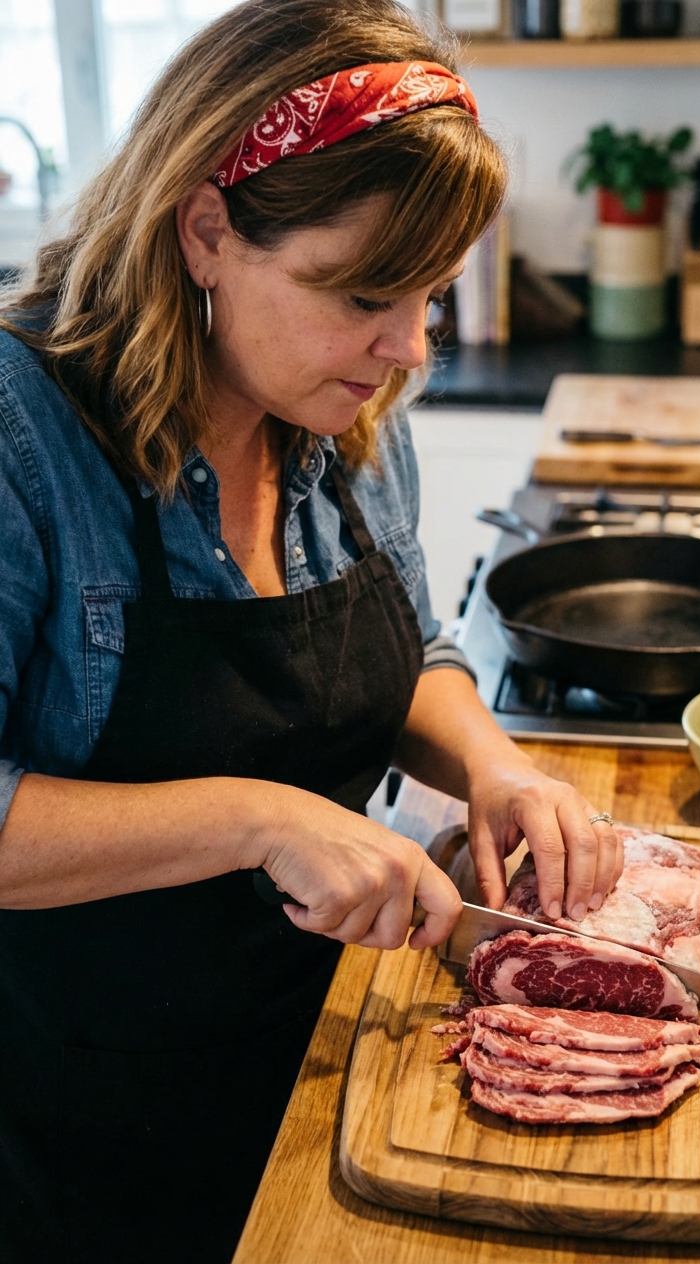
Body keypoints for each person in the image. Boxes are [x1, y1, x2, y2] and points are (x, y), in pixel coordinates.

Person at [0, 1, 623, 1259]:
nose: (406, 351)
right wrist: (259, 816)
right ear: (209, 231)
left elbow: (412, 650)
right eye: (365, 296)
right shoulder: (23, 439)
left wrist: (492, 764)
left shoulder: (338, 407)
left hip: (330, 1077)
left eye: (431, 300)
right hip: (86, 1137)